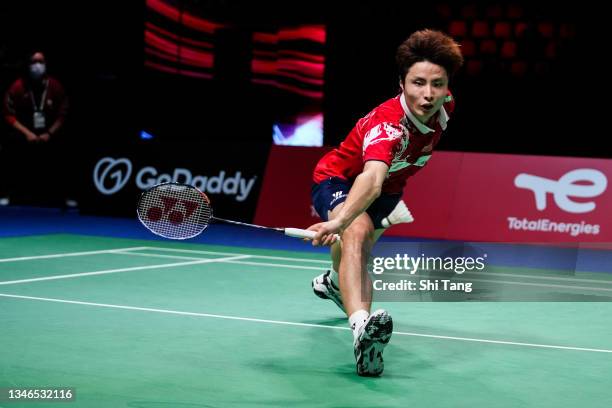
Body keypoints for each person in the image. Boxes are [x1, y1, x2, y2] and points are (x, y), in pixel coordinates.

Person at [307, 29, 463, 376]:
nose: (428, 94)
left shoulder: (445, 105)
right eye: (418, 83)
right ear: (402, 83)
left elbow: (384, 183)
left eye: (437, 84)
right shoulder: (389, 126)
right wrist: (340, 219)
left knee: (354, 250)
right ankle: (363, 330)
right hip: (340, 179)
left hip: (391, 189)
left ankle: (333, 282)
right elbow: (371, 179)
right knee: (356, 232)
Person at [1, 50, 75, 208]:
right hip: (24, 133)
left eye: (41, 62)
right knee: (9, 146)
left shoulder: (55, 86)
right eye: (34, 62)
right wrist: (27, 134)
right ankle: (10, 194)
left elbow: (63, 113)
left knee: (66, 146)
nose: (37, 66)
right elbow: (8, 114)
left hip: (49, 133)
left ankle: (64, 195)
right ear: (28, 65)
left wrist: (49, 133)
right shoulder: (18, 87)